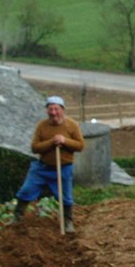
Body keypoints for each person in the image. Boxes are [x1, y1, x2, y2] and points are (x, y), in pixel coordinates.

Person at [14, 95, 86, 233]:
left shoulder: (72, 125)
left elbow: (80, 146)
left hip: (63, 168)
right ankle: (17, 217)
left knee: (66, 197)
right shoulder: (42, 126)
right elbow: (35, 148)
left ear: (62, 110)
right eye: (50, 109)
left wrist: (65, 141)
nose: (53, 113)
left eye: (56, 109)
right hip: (42, 167)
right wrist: (51, 142)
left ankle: (68, 223)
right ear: (47, 111)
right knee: (26, 191)